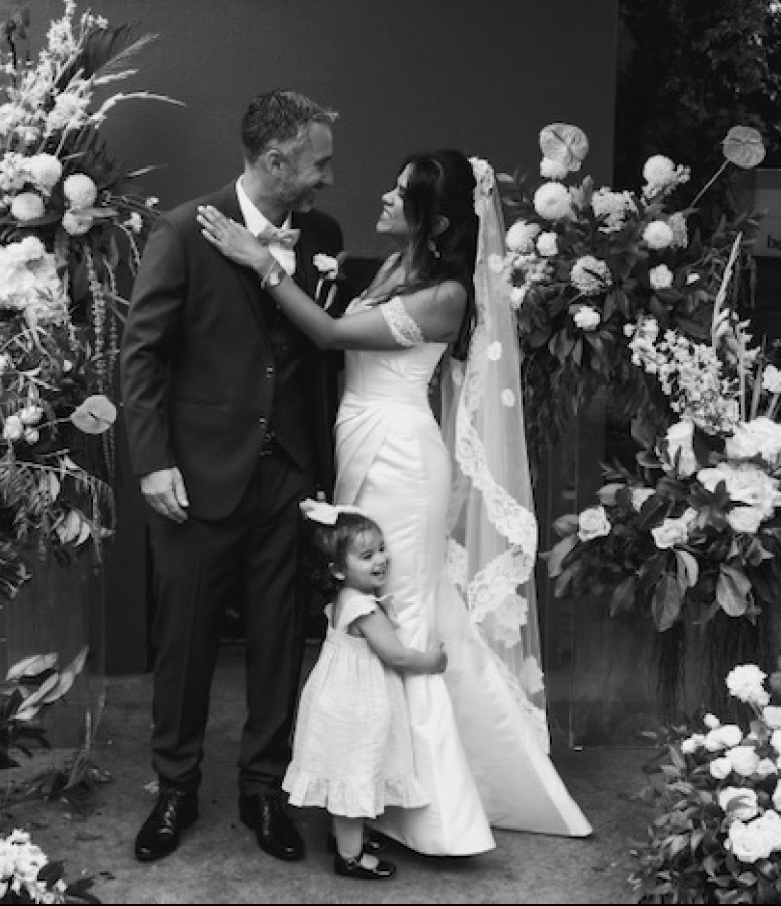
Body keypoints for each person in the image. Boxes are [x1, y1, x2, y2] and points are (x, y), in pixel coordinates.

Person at [197, 148, 593, 855]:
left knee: (399, 609)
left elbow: (330, 335)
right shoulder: (390, 267)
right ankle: (366, 780)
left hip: (402, 458)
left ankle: (427, 808)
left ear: (434, 219)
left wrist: (258, 258)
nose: (382, 194)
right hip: (358, 443)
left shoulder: (446, 296)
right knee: (357, 608)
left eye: (401, 192)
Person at [119, 89, 343, 864]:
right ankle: (176, 789)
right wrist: (152, 461)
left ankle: (264, 790)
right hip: (196, 476)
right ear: (275, 160)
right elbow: (142, 355)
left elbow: (319, 351)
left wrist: (321, 464)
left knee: (281, 638)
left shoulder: (323, 234)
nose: (324, 180)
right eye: (316, 164)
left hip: (287, 476)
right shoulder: (181, 232)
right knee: (184, 641)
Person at [284, 498, 445, 880]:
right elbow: (397, 656)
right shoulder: (364, 609)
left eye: (382, 550)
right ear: (338, 570)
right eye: (367, 555)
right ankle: (350, 857)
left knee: (346, 769)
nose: (381, 561)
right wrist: (433, 661)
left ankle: (345, 839)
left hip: (335, 696)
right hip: (355, 703)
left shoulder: (342, 600)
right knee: (354, 772)